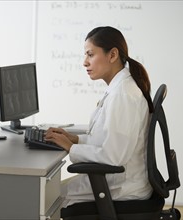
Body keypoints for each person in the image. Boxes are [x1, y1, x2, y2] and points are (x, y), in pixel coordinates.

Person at [44, 26, 154, 208]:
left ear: (112, 55)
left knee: (44, 198)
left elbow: (113, 157)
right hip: (117, 181)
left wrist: (71, 148)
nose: (84, 62)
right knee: (46, 192)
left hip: (121, 187)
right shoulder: (120, 87)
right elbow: (107, 139)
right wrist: (77, 139)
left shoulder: (123, 95)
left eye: (90, 54)